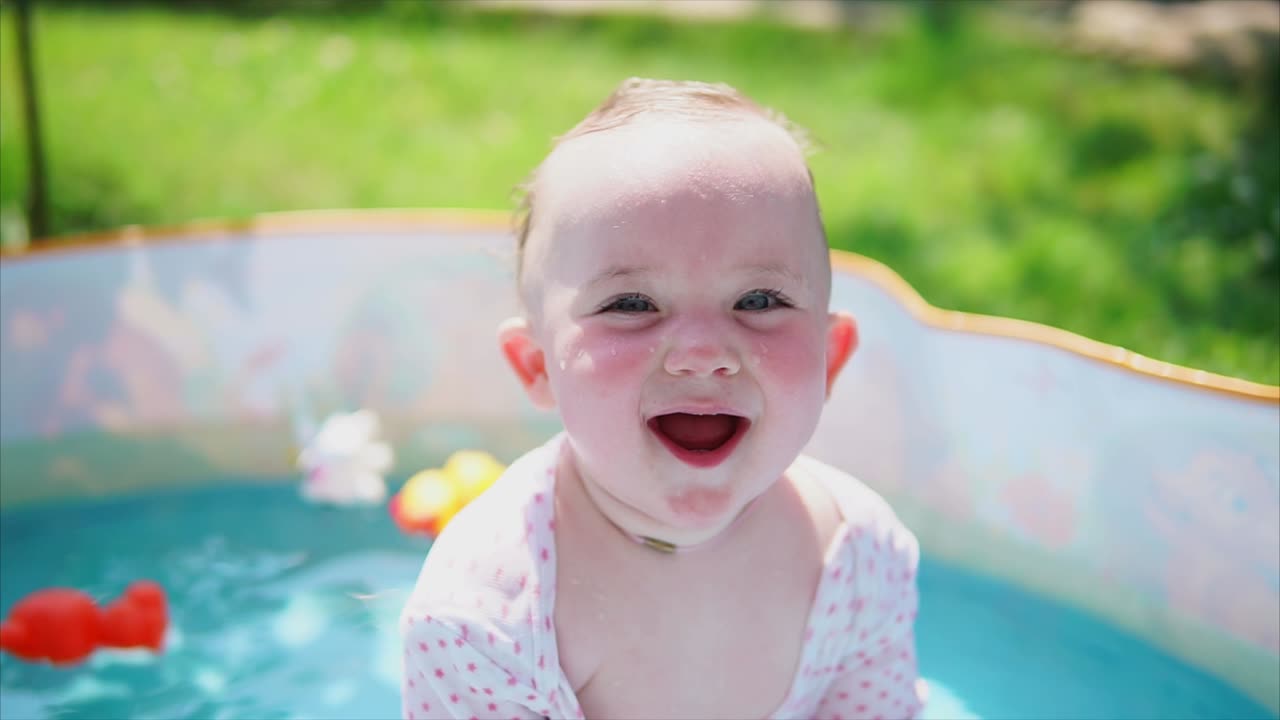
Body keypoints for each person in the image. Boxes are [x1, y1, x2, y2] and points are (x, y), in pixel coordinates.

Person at [400, 77, 926, 720]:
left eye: (758, 301)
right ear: (536, 365)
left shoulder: (859, 556)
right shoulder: (486, 615)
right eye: (631, 304)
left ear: (831, 358)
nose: (703, 351)